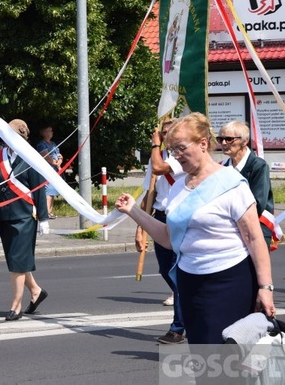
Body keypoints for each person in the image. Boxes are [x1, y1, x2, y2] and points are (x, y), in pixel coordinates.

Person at [116, 113, 275, 344]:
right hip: (190, 283)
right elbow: (168, 238)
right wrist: (134, 211)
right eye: (172, 150)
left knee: (227, 359)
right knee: (203, 359)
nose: (176, 156)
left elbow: (254, 239)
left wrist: (266, 288)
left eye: (181, 148)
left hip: (229, 281)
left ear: (203, 144)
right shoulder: (179, 186)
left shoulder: (231, 183)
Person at [0, 119, 50, 321]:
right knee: (16, 260)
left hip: (24, 217)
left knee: (17, 263)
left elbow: (39, 188)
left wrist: (43, 217)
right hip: (4, 215)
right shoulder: (0, 156)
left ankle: (16, 305)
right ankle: (37, 291)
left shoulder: (30, 157)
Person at [134, 119, 186, 345]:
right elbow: (151, 192)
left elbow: (159, 168)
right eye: (162, 133)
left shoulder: (182, 154)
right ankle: (191, 302)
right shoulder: (156, 156)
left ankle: (177, 328)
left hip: (180, 217)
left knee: (177, 273)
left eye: (169, 132)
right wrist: (141, 226)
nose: (165, 136)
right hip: (161, 217)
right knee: (165, 270)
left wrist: (155, 146)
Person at [219, 120, 276, 250]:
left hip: (256, 229)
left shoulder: (258, 165)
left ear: (244, 141)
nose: (223, 143)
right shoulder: (222, 166)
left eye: (228, 139)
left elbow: (257, 204)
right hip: (230, 230)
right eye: (220, 139)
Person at [35, 124, 63, 219]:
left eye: (51, 131)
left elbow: (59, 155)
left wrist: (60, 161)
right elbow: (46, 157)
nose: (51, 133)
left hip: (55, 170)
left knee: (53, 191)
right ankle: (46, 211)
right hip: (47, 170)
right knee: (48, 191)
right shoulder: (41, 144)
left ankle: (50, 211)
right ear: (43, 132)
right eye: (49, 130)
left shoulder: (53, 144)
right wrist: (55, 162)